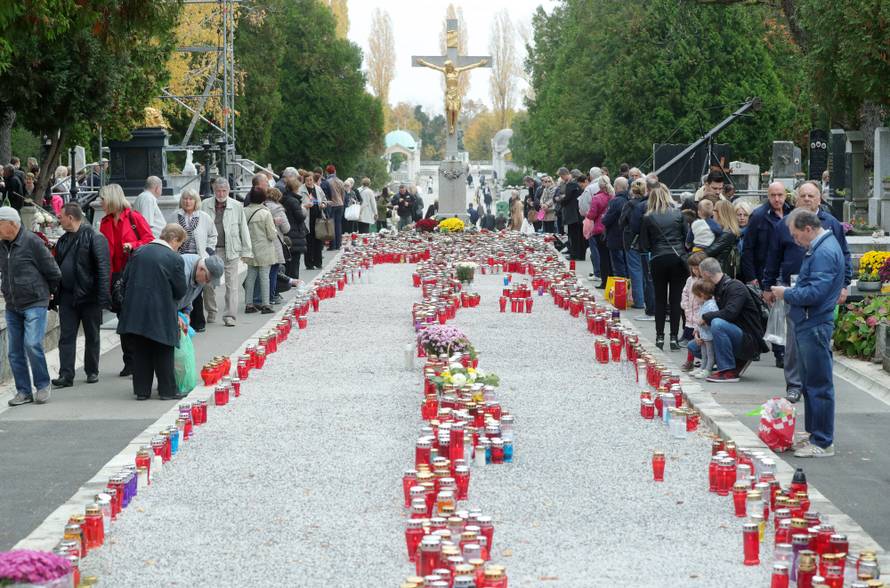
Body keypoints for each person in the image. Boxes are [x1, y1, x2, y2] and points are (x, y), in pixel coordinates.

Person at [763, 180, 851, 401]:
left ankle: (816, 383)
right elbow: (773, 257)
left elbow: (844, 255)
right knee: (793, 339)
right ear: (796, 198)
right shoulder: (784, 224)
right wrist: (768, 285)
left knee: (818, 338)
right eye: (803, 196)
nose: (807, 199)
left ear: (820, 199)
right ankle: (794, 384)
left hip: (822, 291)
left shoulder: (831, 225)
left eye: (812, 196)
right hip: (792, 286)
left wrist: (845, 284)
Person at [770, 208, 845, 458]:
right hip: (809, 321)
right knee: (812, 382)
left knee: (818, 384)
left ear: (808, 229)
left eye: (796, 235)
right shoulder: (823, 246)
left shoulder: (823, 251)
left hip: (814, 322)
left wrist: (786, 293)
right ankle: (815, 435)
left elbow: (815, 293)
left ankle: (823, 441)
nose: (795, 240)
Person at [117, 224, 188, 400]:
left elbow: (124, 280)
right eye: (180, 244)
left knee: (141, 350)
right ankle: (167, 390)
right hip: (161, 311)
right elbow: (180, 290)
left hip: (136, 309)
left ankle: (142, 391)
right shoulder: (174, 258)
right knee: (163, 350)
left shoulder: (139, 252)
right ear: (174, 240)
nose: (179, 248)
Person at [0, 207, 61, 406]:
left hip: (35, 301)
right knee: (14, 351)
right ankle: (24, 391)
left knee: (32, 344)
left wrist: (47, 294)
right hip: (12, 304)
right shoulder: (2, 245)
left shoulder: (32, 242)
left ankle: (42, 385)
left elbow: (53, 271)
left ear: (12, 224)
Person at [52, 203, 111, 388]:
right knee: (66, 336)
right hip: (68, 296)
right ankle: (65, 375)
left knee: (92, 335)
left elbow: (103, 269)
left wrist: (102, 298)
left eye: (61, 216)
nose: (58, 219)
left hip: (89, 296)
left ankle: (92, 370)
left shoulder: (95, 237)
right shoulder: (62, 241)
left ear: (71, 217)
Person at [98, 183, 154, 376]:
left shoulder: (133, 217)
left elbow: (150, 240)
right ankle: (129, 361)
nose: (101, 203)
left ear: (112, 199)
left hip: (134, 274)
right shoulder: (104, 222)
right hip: (114, 277)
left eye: (103, 199)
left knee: (134, 317)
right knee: (123, 319)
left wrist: (133, 245)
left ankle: (140, 359)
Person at [690, 257, 768, 383]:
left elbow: (730, 313)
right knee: (694, 347)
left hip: (748, 339)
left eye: (701, 276)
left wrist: (705, 317)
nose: (701, 279)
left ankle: (727, 370)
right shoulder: (716, 288)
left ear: (706, 274)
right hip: (734, 332)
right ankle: (730, 361)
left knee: (717, 323)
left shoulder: (736, 287)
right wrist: (699, 330)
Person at [639, 182, 688, 349]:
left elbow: (644, 245)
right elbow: (686, 238)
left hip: (658, 258)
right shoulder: (678, 214)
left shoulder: (648, 217)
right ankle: (674, 337)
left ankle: (659, 336)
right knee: (675, 299)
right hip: (677, 258)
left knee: (660, 299)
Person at [200, 177, 252, 327]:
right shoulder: (205, 205)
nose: (221, 193)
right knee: (208, 284)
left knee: (232, 285)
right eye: (218, 190)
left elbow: (243, 228)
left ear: (228, 191)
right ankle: (211, 311)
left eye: (224, 191)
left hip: (231, 249)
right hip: (210, 250)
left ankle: (230, 316)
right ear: (213, 190)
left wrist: (246, 250)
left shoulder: (236, 206)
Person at [175, 189, 217, 332]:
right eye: (185, 199)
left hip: (198, 257)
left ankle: (198, 322)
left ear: (196, 201)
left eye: (191, 199)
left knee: (197, 291)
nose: (188, 202)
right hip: (179, 258)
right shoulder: (175, 216)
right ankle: (181, 319)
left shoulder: (203, 217)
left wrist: (209, 250)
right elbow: (166, 232)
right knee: (181, 290)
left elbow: (213, 235)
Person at [622, 178, 654, 316]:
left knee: (635, 270)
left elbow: (623, 221)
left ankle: (639, 301)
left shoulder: (631, 204)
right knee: (647, 272)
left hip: (634, 241)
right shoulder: (650, 204)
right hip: (648, 242)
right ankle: (648, 300)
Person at [242, 187, 277, 314]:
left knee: (250, 276)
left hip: (249, 248)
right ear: (263, 198)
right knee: (264, 277)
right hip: (264, 248)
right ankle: (266, 304)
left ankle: (249, 304)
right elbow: (272, 235)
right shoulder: (265, 213)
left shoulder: (244, 211)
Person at [262, 187, 291, 303]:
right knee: (273, 271)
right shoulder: (278, 209)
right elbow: (286, 228)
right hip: (275, 242)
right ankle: (271, 295)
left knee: (263, 272)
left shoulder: (262, 207)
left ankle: (261, 296)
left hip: (262, 243)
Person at [584, 173, 614, 286]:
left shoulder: (597, 198)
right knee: (610, 257)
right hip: (610, 229)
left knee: (602, 257)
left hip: (599, 229)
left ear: (599, 186)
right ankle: (611, 279)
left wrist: (588, 214)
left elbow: (591, 215)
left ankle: (605, 281)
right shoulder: (613, 196)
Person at [680, 251, 707, 366]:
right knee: (689, 339)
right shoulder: (690, 280)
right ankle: (690, 360)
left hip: (699, 315)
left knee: (698, 339)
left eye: (697, 268)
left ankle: (698, 360)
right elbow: (685, 292)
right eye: (693, 268)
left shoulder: (705, 281)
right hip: (689, 315)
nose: (696, 271)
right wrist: (684, 304)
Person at [178, 253, 224, 322]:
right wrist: (175, 316)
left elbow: (189, 295)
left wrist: (186, 312)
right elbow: (167, 299)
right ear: (202, 269)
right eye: (208, 279)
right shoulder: (183, 272)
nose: (207, 282)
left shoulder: (199, 275)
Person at [704, 200, 741, 278]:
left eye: (714, 210)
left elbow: (708, 252)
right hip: (716, 270)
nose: (712, 213)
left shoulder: (728, 234)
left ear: (720, 213)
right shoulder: (723, 231)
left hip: (719, 273)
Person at [691, 280, 719, 379]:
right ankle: (703, 367)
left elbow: (711, 322)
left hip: (709, 335)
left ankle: (708, 369)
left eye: (696, 296)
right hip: (704, 334)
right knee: (704, 353)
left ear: (702, 295)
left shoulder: (711, 306)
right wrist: (697, 331)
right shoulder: (704, 304)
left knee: (710, 353)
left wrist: (701, 324)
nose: (695, 299)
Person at [602, 177, 629, 277]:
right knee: (626, 264)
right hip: (626, 237)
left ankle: (621, 288)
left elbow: (606, 220)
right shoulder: (629, 200)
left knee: (618, 265)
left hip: (615, 236)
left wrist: (603, 217)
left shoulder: (615, 202)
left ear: (617, 187)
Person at [300, 173, 327, 270]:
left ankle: (318, 262)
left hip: (318, 216)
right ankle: (309, 263)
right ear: (304, 180)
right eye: (307, 180)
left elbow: (324, 199)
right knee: (309, 241)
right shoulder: (301, 190)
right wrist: (305, 206)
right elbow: (298, 204)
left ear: (313, 180)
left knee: (318, 240)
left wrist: (323, 205)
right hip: (307, 218)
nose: (309, 182)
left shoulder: (318, 188)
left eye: (310, 180)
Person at [558, 167, 585, 260]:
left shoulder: (570, 184)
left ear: (564, 174)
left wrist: (561, 199)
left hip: (572, 214)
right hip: (577, 213)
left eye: (561, 176)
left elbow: (566, 199)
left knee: (574, 236)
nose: (561, 178)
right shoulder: (576, 184)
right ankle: (580, 255)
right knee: (578, 236)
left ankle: (575, 254)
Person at [321, 164, 346, 250]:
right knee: (338, 225)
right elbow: (343, 194)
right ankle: (338, 244)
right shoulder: (340, 181)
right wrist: (341, 202)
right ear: (335, 171)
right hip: (340, 204)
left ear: (326, 172)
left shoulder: (327, 182)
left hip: (332, 205)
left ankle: (332, 245)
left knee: (331, 225)